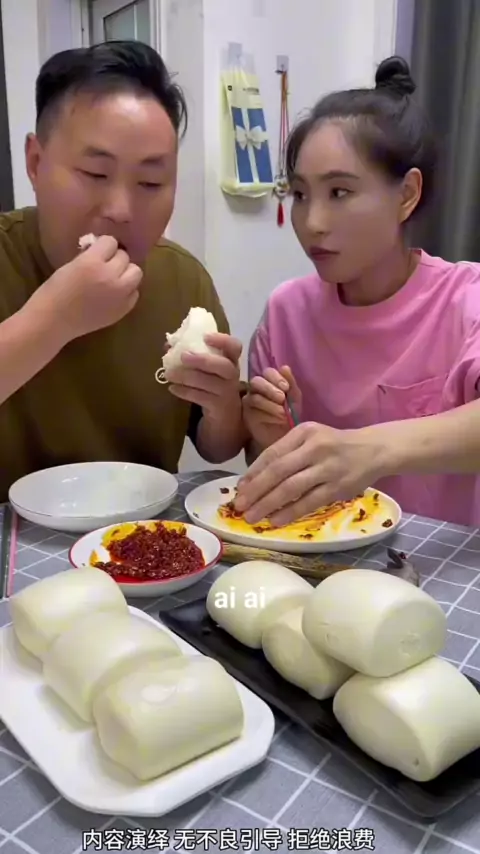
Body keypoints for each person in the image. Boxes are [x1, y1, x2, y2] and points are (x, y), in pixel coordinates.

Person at [235, 55, 480, 529]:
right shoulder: (286, 312)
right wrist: (268, 434)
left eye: (340, 193)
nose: (312, 223)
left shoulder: (466, 299)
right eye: (300, 194)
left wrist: (370, 450)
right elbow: (262, 466)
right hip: (318, 553)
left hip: (437, 559)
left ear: (406, 195)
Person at [0, 41, 246, 501]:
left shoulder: (183, 279)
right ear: (35, 163)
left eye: (151, 183)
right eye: (95, 174)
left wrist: (222, 404)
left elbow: (218, 446)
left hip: (140, 533)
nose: (121, 209)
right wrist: (55, 318)